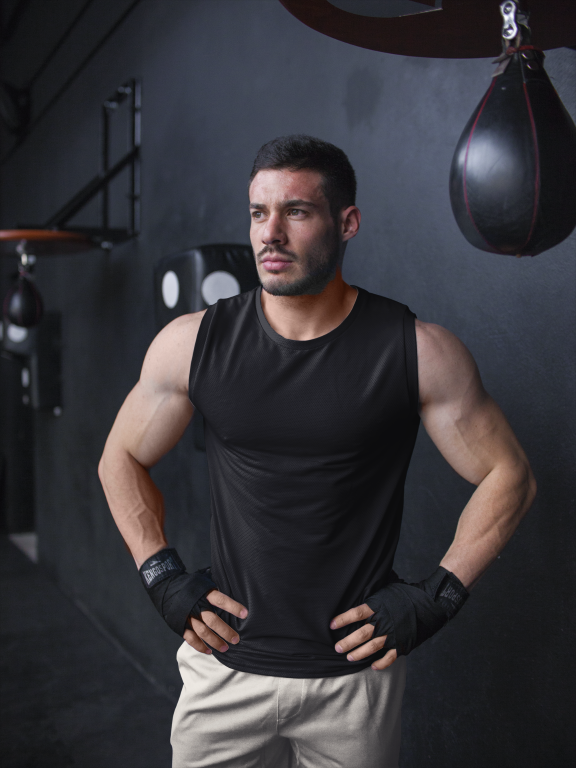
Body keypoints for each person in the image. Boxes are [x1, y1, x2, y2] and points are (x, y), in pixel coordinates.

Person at [98, 135, 536, 768]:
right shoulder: (193, 344)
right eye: (258, 212)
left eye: (296, 211)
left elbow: (509, 474)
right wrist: (160, 576)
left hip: (354, 682)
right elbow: (119, 457)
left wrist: (437, 596)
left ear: (347, 222)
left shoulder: (415, 350)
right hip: (224, 670)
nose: (270, 233)